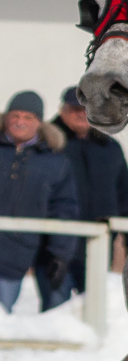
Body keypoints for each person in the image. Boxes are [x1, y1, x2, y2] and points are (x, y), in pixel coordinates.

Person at [0, 91, 81, 313]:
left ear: (39, 122)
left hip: (16, 256)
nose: (19, 122)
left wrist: (60, 254)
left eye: (28, 118)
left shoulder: (55, 162)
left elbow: (64, 208)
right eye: (15, 115)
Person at [52, 86, 128, 291]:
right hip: (57, 244)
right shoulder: (50, 144)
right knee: (55, 310)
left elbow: (124, 195)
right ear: (62, 110)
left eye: (86, 108)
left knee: (93, 304)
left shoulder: (110, 147)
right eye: (74, 108)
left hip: (99, 241)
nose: (81, 113)